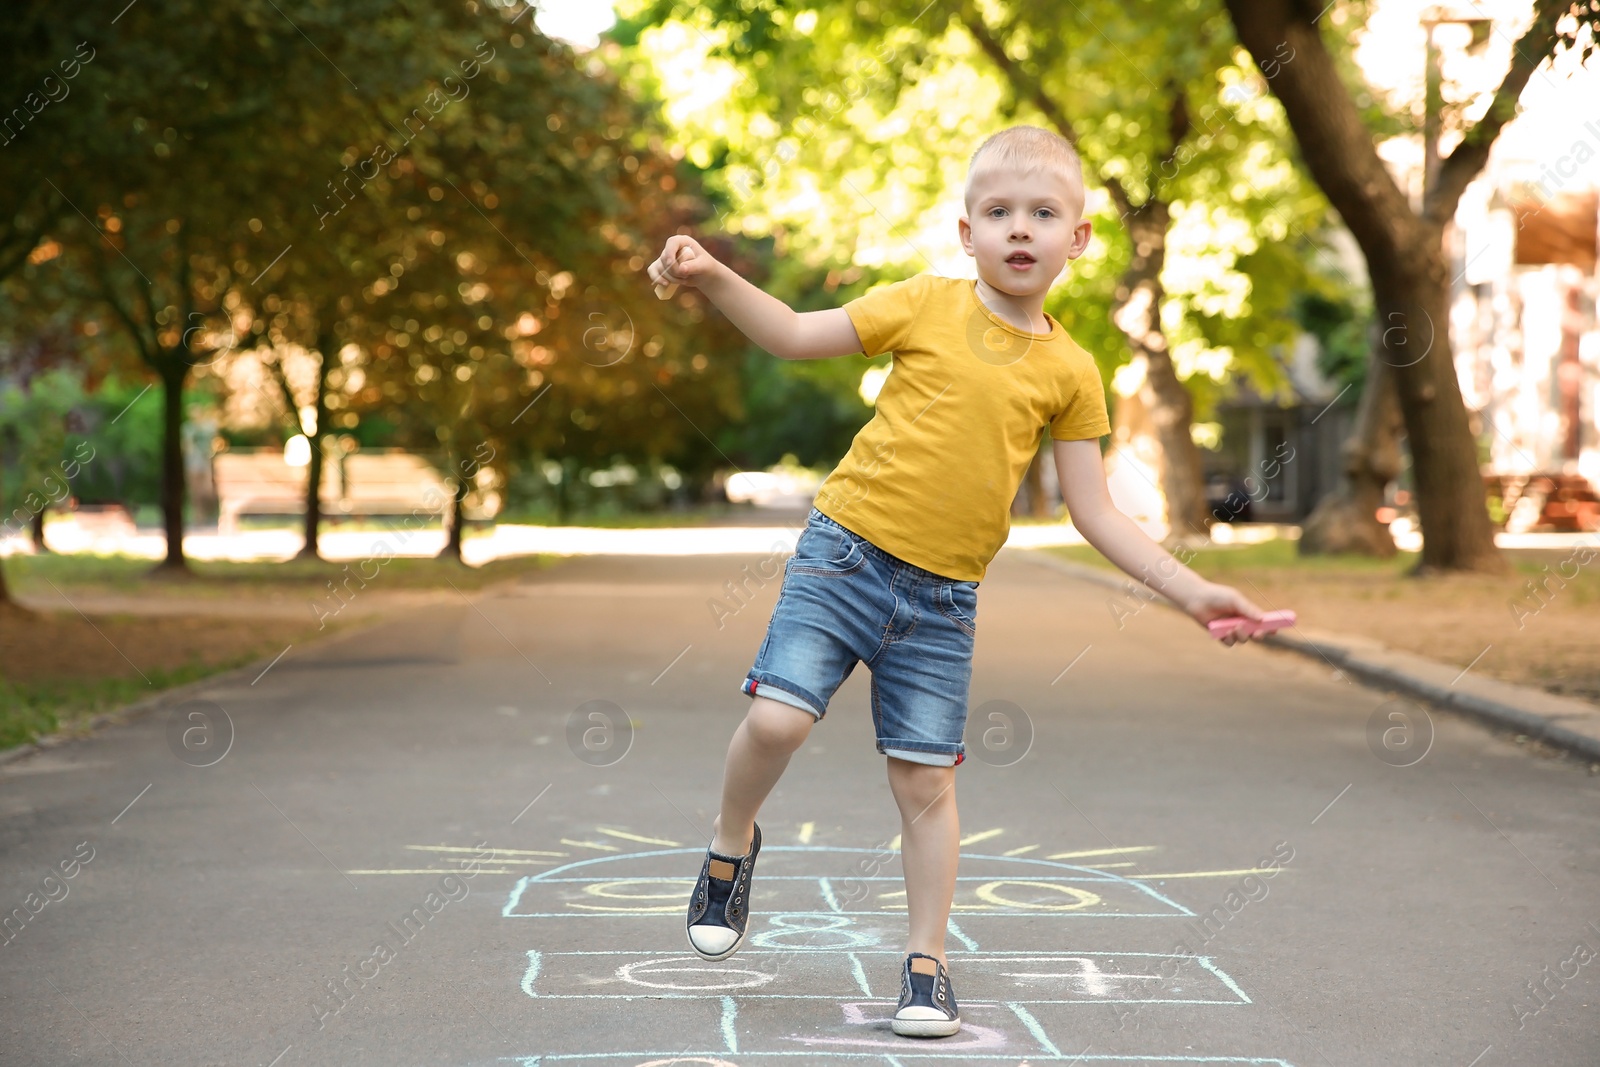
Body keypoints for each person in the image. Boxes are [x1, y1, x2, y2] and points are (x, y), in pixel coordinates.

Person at [646, 124, 1270, 1039]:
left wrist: (1192, 591)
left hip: (941, 600)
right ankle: (731, 842)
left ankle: (927, 965)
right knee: (777, 718)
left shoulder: (1071, 369)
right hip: (844, 554)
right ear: (966, 232)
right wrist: (708, 274)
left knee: (924, 784)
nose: (1021, 230)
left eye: (1043, 214)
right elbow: (788, 334)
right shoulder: (924, 305)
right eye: (999, 213)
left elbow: (1096, 513)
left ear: (1079, 238)